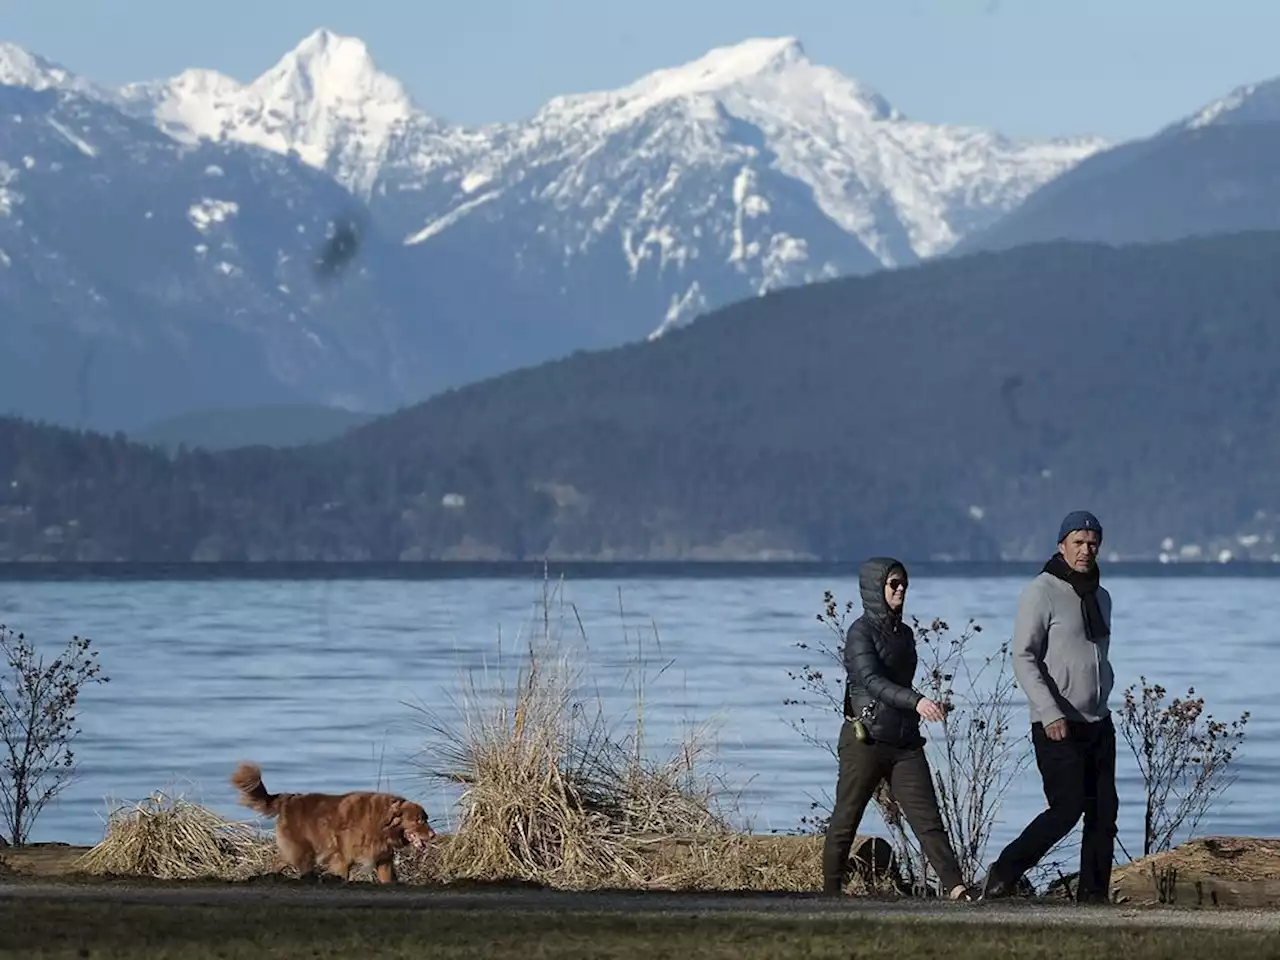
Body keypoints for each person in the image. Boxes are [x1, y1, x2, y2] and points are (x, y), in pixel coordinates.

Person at [979, 510, 1117, 904]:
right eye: (1078, 542)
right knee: (1066, 808)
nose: (1086, 550)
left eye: (1092, 543)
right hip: (1057, 723)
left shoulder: (1100, 596)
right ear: (1062, 546)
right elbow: (1023, 656)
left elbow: (1096, 656)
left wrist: (1106, 689)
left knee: (1103, 814)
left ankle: (1093, 897)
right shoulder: (1041, 591)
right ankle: (1003, 872)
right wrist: (1049, 710)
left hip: (1098, 721)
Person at [822, 556, 972, 901]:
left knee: (928, 819)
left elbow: (900, 682)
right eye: (893, 584)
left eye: (904, 583)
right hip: (866, 739)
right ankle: (830, 894)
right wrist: (917, 701)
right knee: (847, 817)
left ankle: (957, 888)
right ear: (876, 588)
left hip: (904, 742)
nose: (901, 589)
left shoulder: (904, 634)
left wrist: (922, 707)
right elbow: (872, 681)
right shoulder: (859, 633)